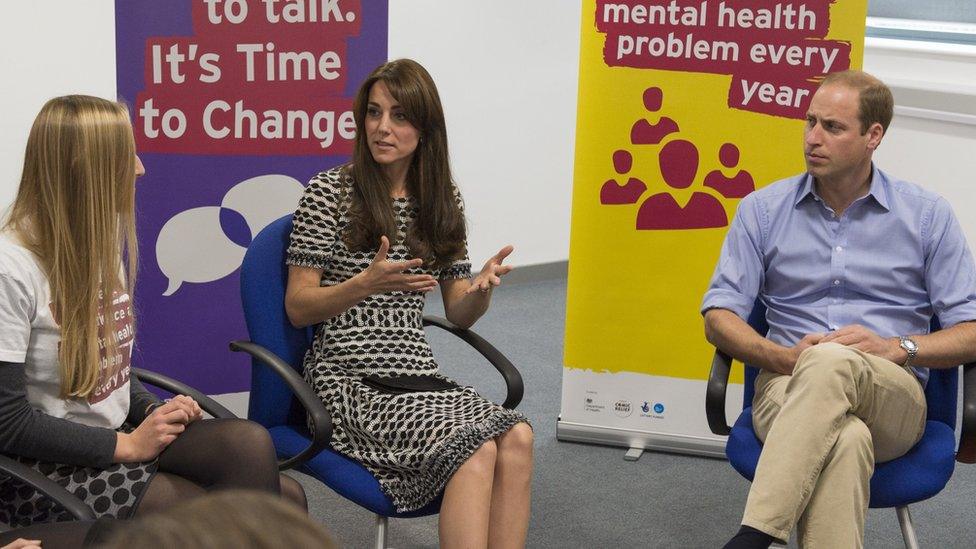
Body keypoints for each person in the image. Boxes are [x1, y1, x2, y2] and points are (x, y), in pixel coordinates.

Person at [0, 96, 306, 544]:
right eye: (127, 156)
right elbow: (8, 422)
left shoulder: (96, 245)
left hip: (113, 436)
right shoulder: (12, 269)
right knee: (235, 515)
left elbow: (110, 372)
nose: (140, 168)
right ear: (88, 169)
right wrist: (126, 446)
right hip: (41, 466)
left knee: (251, 447)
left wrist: (151, 410)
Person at [701, 70, 976, 548]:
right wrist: (785, 358)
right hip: (785, 386)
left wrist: (898, 347)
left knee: (831, 360)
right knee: (846, 439)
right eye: (809, 122)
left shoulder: (927, 216)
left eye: (832, 127)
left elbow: (971, 331)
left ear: (874, 136)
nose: (813, 139)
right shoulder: (762, 211)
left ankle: (753, 536)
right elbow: (719, 317)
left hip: (893, 395)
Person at [285, 58, 533, 548]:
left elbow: (457, 310)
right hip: (348, 377)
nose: (382, 128)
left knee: (519, 437)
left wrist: (479, 290)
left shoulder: (442, 201)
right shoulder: (328, 192)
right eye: (374, 113)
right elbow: (298, 306)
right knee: (476, 448)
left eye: (399, 116)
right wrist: (364, 284)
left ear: (425, 128)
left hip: (417, 374)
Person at [97, 490, 336, 548]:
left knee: (249, 442)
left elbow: (128, 383)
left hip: (127, 432)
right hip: (82, 461)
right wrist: (128, 445)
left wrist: (155, 410)